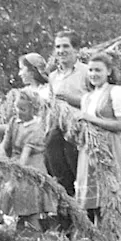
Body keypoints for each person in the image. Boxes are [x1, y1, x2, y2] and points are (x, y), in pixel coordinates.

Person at [75, 53, 121, 221]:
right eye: (91, 70)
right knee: (94, 204)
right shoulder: (86, 98)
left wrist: (89, 118)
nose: (93, 74)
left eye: (98, 70)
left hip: (111, 147)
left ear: (108, 71)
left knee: (114, 199)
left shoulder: (116, 92)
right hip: (90, 151)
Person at [0, 91, 54, 231]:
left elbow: (25, 156)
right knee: (15, 211)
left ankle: (36, 237)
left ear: (33, 109)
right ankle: (17, 236)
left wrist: (15, 175)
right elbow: (6, 143)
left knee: (30, 210)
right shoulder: (14, 122)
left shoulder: (36, 127)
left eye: (23, 109)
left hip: (30, 168)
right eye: (17, 107)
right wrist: (2, 155)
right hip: (15, 164)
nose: (18, 112)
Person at [44, 31, 87, 195]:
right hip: (58, 126)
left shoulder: (85, 72)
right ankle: (66, 200)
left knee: (76, 166)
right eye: (58, 47)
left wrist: (71, 99)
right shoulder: (53, 76)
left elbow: (96, 101)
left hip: (79, 128)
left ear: (76, 49)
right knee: (52, 151)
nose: (61, 51)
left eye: (65, 46)